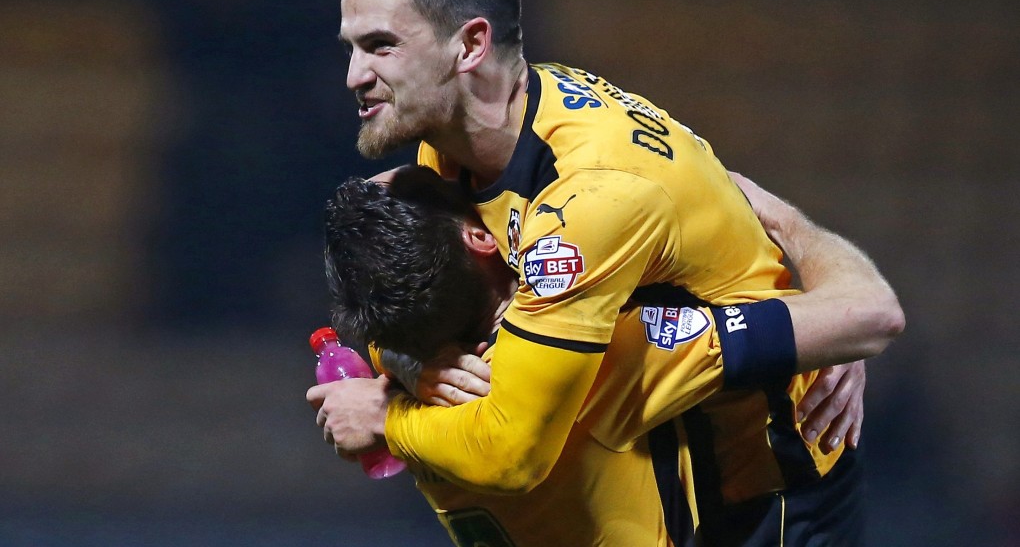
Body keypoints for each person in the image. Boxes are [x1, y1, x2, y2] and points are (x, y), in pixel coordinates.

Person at [307, 0, 904, 545]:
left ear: (471, 44)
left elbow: (513, 448)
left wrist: (388, 415)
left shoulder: (593, 197)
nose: (354, 76)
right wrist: (415, 361)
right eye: (351, 48)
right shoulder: (451, 148)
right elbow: (404, 294)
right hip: (647, 470)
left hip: (766, 495)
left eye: (380, 46)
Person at [317, 166, 900, 546]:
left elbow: (389, 320)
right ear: (478, 235)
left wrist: (394, 399)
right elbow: (869, 315)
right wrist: (787, 234)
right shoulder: (611, 354)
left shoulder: (397, 358)